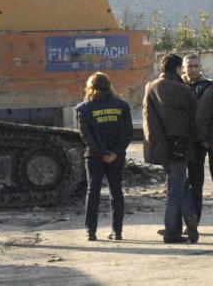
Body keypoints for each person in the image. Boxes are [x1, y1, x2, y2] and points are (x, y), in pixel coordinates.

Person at [143, 53, 199, 243]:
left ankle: (188, 218)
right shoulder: (184, 90)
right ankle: (172, 231)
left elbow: (146, 118)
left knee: (178, 184)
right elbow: (195, 118)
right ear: (177, 68)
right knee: (177, 187)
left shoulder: (150, 87)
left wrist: (154, 144)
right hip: (180, 146)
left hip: (160, 147)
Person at [75, 72, 133, 241]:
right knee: (116, 191)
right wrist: (115, 152)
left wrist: (101, 153)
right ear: (109, 85)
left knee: (93, 191)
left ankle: (91, 232)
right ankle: (118, 231)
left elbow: (86, 136)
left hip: (94, 157)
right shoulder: (122, 106)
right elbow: (128, 133)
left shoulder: (83, 108)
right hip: (117, 157)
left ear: (90, 87)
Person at [183, 53, 213, 226]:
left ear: (201, 67)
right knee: (179, 184)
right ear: (184, 67)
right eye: (190, 66)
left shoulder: (208, 87)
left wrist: (207, 139)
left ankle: (195, 220)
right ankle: (182, 220)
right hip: (180, 142)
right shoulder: (178, 86)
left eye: (196, 66)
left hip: (200, 143)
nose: (193, 69)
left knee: (196, 182)